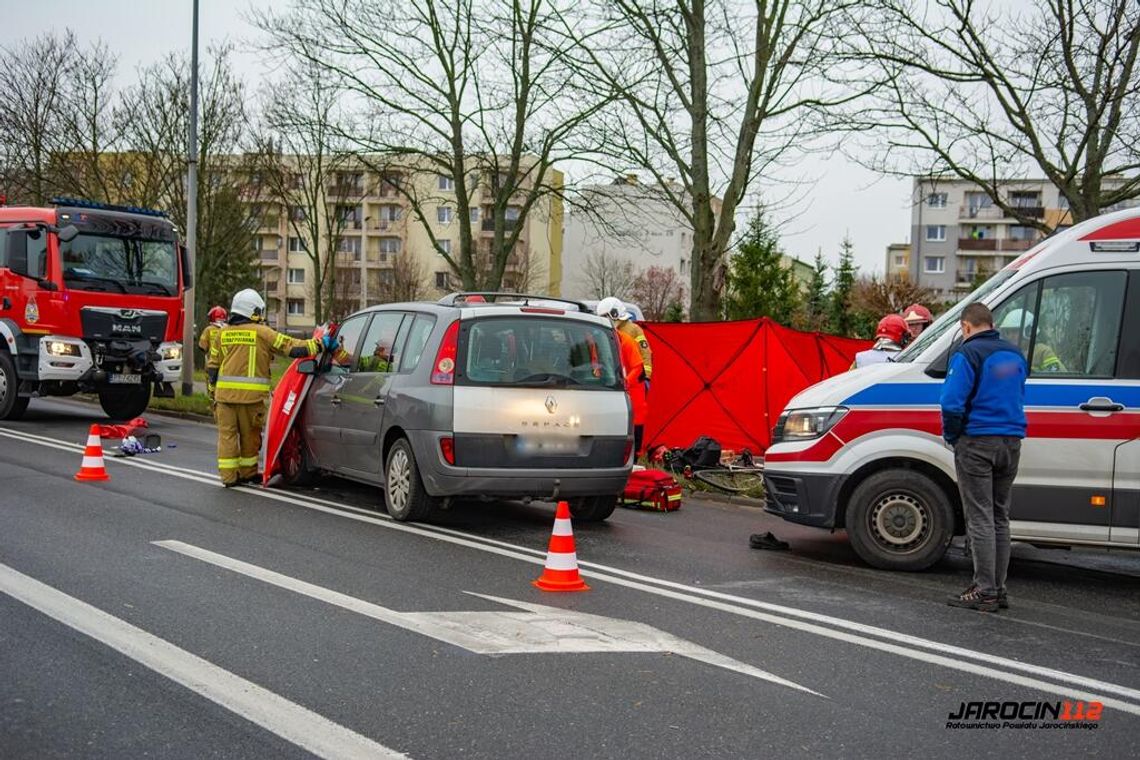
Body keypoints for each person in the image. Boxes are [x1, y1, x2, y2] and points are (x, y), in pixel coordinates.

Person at [940, 302, 1027, 612]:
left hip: (977, 442)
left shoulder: (968, 354)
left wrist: (953, 436)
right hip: (1011, 442)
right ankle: (999, 588)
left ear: (966, 327)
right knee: (1000, 516)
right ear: (991, 324)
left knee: (980, 517)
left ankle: (984, 590)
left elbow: (951, 403)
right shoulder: (1015, 354)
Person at [207, 288, 328, 487]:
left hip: (224, 399)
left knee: (227, 437)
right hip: (251, 399)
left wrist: (212, 395)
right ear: (253, 311)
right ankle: (248, 473)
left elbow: (212, 367)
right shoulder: (262, 333)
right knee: (251, 437)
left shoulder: (222, 334)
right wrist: (320, 344)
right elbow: (293, 347)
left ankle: (228, 478)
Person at [596, 296, 652, 389]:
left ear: (614, 313)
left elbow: (645, 352)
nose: (605, 319)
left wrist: (646, 376)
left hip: (634, 376)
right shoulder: (607, 331)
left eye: (606, 316)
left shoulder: (634, 329)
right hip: (616, 377)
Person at [997, 309, 1066, 373]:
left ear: (1029, 331)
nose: (1010, 336)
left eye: (1015, 331)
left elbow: (1057, 374)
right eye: (1008, 332)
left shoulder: (1042, 351)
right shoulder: (1007, 353)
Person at [616, 329, 648, 458]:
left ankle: (636, 454)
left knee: (637, 417)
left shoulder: (626, 341)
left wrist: (625, 382)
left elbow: (638, 367)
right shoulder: (601, 338)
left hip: (634, 386)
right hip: (617, 384)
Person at [197, 305, 228, 400]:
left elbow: (202, 346)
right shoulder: (228, 329)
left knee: (211, 382)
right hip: (227, 362)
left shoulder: (208, 330)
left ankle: (212, 401)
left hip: (212, 362)